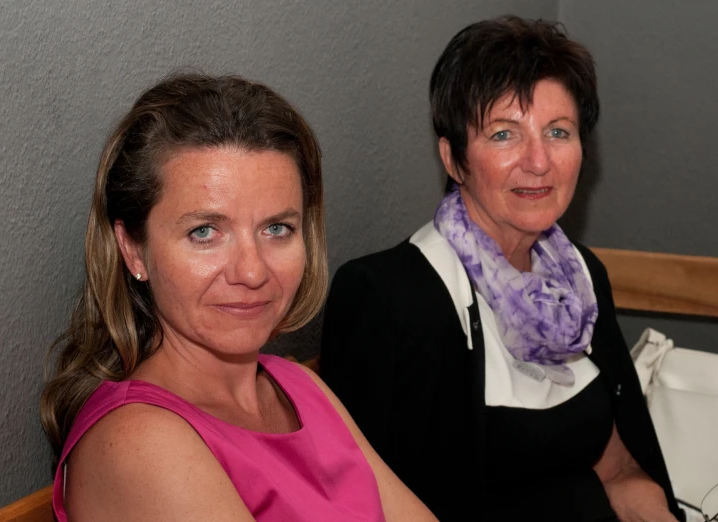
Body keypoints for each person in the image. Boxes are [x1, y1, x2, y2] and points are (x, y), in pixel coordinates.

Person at [320, 16, 684, 522]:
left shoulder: (581, 278)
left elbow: (621, 473)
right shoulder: (389, 299)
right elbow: (359, 503)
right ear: (454, 159)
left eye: (558, 131)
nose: (538, 161)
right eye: (504, 134)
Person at [40, 73, 437, 522]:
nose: (251, 271)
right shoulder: (140, 441)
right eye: (204, 232)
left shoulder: (299, 386)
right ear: (133, 249)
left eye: (276, 229)